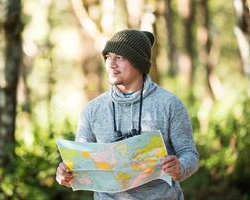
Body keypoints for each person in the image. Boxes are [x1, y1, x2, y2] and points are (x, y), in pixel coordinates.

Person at [56, 29, 199, 200]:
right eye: (108, 56)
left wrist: (180, 167)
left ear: (139, 63)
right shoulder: (92, 110)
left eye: (120, 57)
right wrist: (66, 174)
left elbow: (189, 153)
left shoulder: (169, 104)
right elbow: (80, 165)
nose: (111, 64)